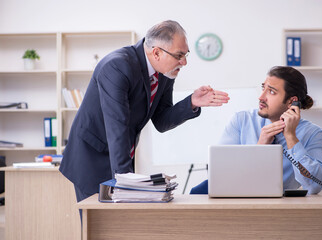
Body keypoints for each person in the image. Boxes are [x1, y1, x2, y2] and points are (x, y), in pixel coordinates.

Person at [59, 20, 230, 203]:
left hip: (119, 154)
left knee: (123, 223)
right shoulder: (116, 66)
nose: (184, 62)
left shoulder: (165, 73)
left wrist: (191, 102)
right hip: (91, 158)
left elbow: (162, 121)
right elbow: (117, 126)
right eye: (179, 55)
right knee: (100, 226)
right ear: (156, 52)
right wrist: (127, 184)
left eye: (186, 54)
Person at [190, 66, 322, 195]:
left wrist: (291, 138)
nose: (261, 97)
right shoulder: (242, 120)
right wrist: (260, 148)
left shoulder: (314, 134)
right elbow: (219, 174)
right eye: (263, 88)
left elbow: (314, 186)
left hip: (280, 209)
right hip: (235, 201)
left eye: (271, 92)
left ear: (291, 102)